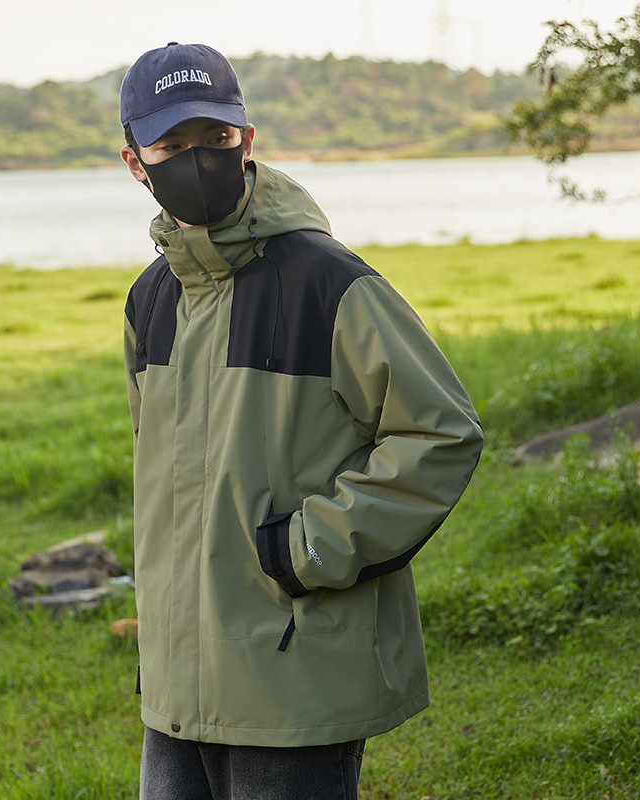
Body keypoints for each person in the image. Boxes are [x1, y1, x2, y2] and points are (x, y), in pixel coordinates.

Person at [120, 42, 483, 800]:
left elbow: (440, 433)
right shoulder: (150, 299)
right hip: (176, 681)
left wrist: (311, 546)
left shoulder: (330, 282)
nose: (197, 159)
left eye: (215, 138)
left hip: (295, 674)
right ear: (134, 162)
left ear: (246, 140)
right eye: (172, 146)